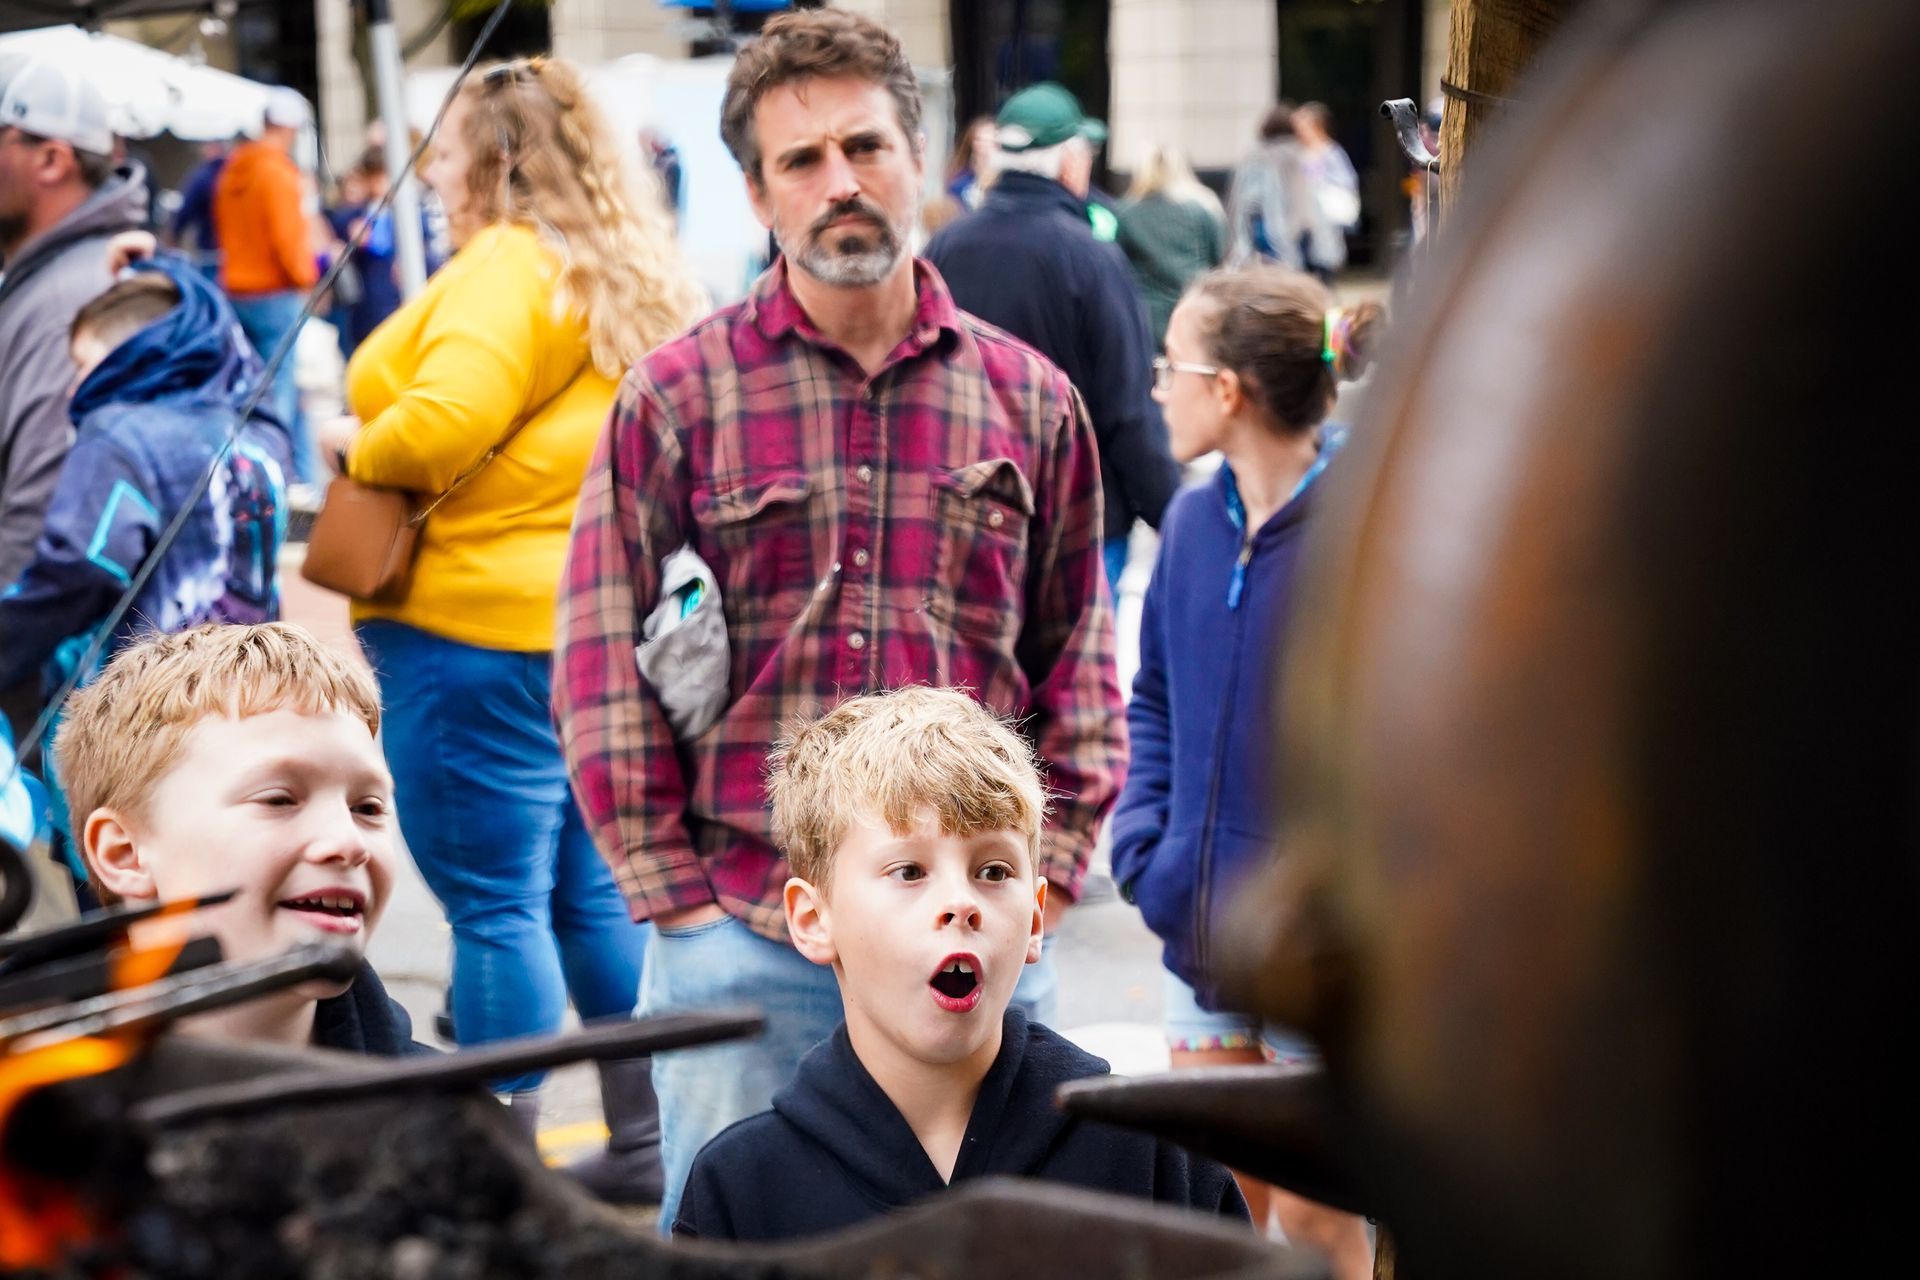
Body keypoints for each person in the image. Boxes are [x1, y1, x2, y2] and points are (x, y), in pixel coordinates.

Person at [553, 9, 1124, 1233]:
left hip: (974, 925)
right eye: (801, 161)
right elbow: (600, 658)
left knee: (1013, 1253)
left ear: (923, 159)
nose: (841, 182)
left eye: (865, 145)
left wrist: (1052, 882)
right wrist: (676, 899)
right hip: (745, 926)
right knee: (729, 1250)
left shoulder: (1029, 399)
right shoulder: (676, 394)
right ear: (759, 193)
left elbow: (1078, 656)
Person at [323, 54, 704, 1205]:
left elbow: (445, 420)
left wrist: (353, 444)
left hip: (468, 628)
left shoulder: (503, 265)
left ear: (491, 159)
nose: (432, 175)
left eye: (443, 154)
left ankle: (496, 1172)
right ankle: (642, 1142)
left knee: (493, 905)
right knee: (586, 897)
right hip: (583, 627)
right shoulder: (619, 274)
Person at [674, 687, 1246, 1240]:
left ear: (1035, 918)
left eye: (993, 871)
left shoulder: (1154, 1160)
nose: (961, 903)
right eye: (909, 871)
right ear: (813, 919)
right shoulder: (741, 1191)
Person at [1111, 264, 1372, 1279]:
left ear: (1227, 390)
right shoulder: (1187, 522)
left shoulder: (1365, 530)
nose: (1155, 388)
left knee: (1316, 1221)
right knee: (1224, 1219)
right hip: (1201, 938)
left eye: (1171, 365)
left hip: (1324, 961)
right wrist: (1149, 854)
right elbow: (1158, 699)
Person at [54, 622, 421, 1056]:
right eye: (279, 800)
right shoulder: (26, 1103)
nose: (348, 842)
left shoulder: (450, 1117)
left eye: (368, 809)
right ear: (125, 854)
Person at [0, 257, 292, 720]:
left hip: (145, 715)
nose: (75, 387)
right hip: (257, 696)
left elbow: (82, 564)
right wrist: (168, 267)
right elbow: (244, 360)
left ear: (138, 356)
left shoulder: (115, 434)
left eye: (83, 365)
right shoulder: (256, 432)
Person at [926, 82, 1180, 599]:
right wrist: (1173, 519)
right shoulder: (1090, 257)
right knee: (1075, 679)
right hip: (1079, 524)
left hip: (967, 517)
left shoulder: (943, 249)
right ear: (1070, 164)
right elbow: (1127, 409)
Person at [0, 49, 149, 595]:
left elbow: (40, 527)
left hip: (60, 666)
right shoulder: (57, 278)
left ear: (50, 160)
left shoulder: (70, 298)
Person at [215, 87, 321, 485]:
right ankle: (282, 479)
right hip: (275, 295)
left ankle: (266, 473)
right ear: (290, 128)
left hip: (237, 290)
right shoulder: (275, 171)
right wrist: (307, 279)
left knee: (248, 389)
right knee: (281, 394)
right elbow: (289, 239)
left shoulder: (233, 169)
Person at [1116, 143, 1225, 351]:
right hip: (1194, 308)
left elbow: (1117, 265)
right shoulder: (1203, 210)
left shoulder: (1125, 213)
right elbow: (1218, 258)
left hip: (1145, 317)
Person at [1223, 103, 1307, 270]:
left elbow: (1242, 199)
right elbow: (1303, 197)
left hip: (1258, 226)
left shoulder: (1254, 154)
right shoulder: (1295, 155)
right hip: (1290, 228)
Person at [1291, 103, 1360, 285]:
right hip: (1303, 222)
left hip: (1324, 222)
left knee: (1323, 271)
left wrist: (1318, 186)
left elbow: (1347, 181)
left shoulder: (1332, 152)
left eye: (1303, 127)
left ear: (1317, 126)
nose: (1299, 132)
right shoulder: (1297, 153)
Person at [165, 138, 230, 279]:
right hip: (234, 251)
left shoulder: (203, 176)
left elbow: (186, 209)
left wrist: (174, 233)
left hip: (209, 247)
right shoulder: (235, 173)